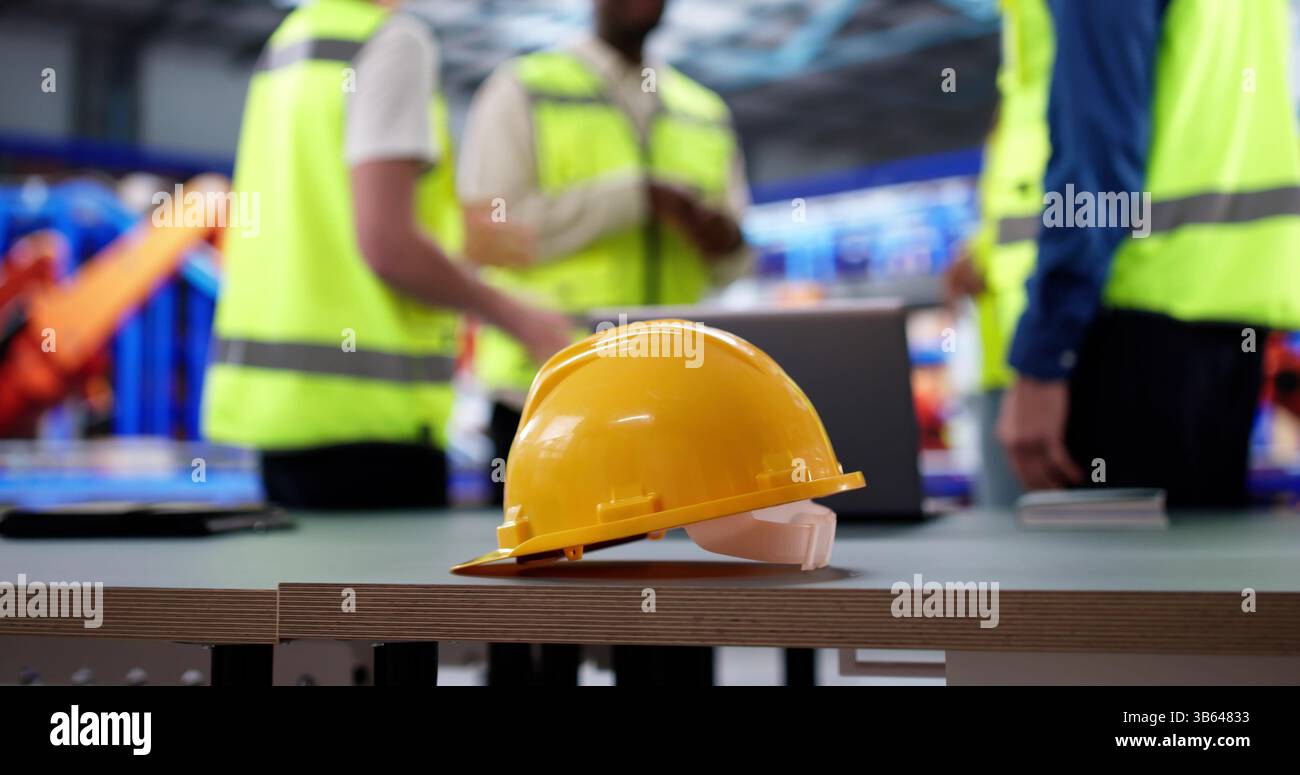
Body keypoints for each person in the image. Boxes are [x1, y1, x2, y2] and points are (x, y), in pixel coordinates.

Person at [457, 0, 752, 687]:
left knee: (670, 640)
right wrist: (633, 198)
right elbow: (487, 233)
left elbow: (735, 260)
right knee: (535, 643)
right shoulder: (525, 87)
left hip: (669, 408)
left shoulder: (701, 109)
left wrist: (723, 237)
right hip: (545, 404)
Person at [204, 0, 571, 509]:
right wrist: (523, 320)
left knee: (299, 589)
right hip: (372, 425)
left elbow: (320, 207)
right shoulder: (393, 42)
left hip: (282, 416)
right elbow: (387, 246)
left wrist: (451, 230)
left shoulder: (291, 41)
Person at [997, 0, 1300, 507]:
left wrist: (1045, 357)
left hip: (1129, 320)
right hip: (1226, 309)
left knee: (1112, 576)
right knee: (1193, 573)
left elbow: (1097, 162)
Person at [945, 0, 1055, 508]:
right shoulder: (1019, 89)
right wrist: (979, 252)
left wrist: (1046, 362)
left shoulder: (1060, 59)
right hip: (1007, 359)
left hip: (1050, 357)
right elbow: (1018, 217)